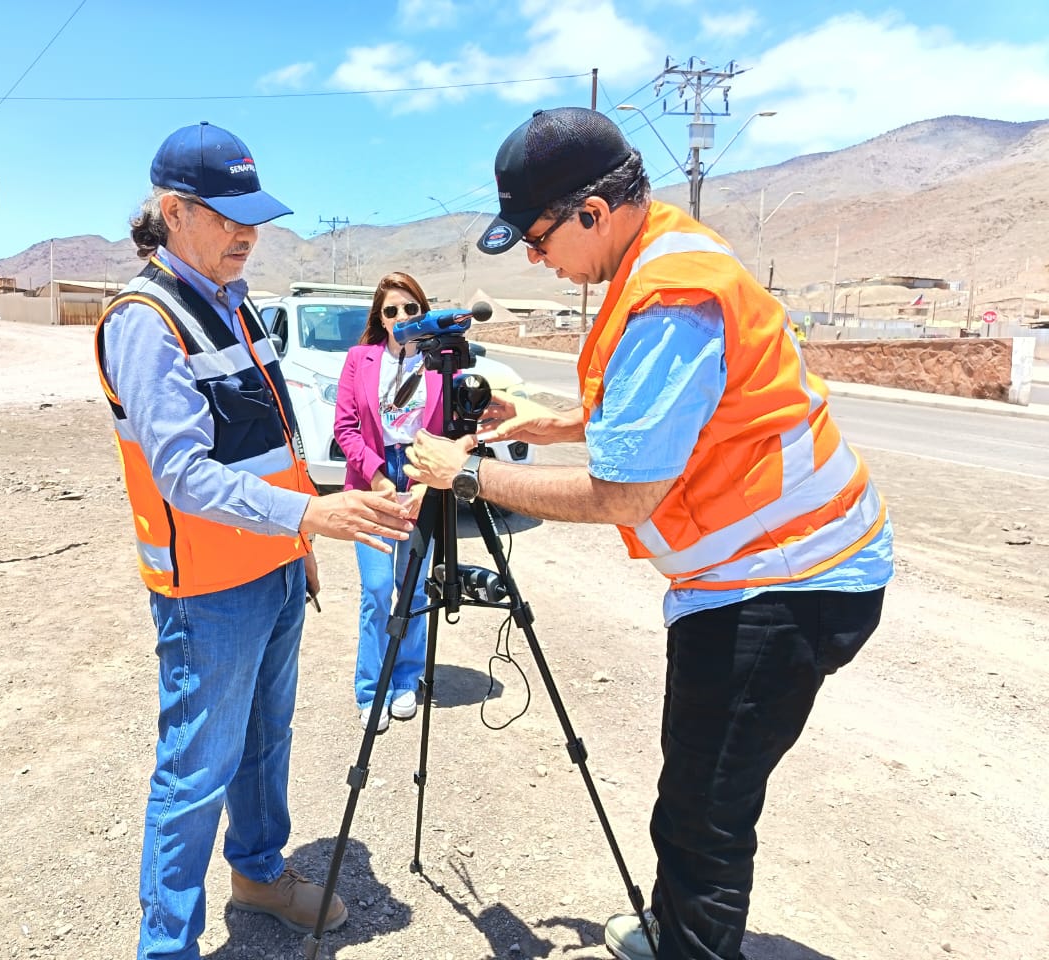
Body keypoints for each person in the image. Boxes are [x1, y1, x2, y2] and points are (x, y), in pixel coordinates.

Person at [405, 107, 893, 960]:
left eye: (539, 236)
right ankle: (673, 930)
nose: (534, 256)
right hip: (762, 575)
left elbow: (626, 495)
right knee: (693, 791)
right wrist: (546, 421)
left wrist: (466, 475)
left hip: (785, 586)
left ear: (593, 213)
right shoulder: (659, 258)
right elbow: (660, 417)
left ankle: (693, 946)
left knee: (707, 809)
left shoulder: (670, 296)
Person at [94, 120, 414, 960]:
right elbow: (184, 476)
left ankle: (260, 873)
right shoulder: (146, 320)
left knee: (269, 739)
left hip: (274, 570)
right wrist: (312, 518)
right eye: (229, 215)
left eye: (254, 216)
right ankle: (167, 945)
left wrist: (299, 536)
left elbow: (272, 442)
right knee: (196, 770)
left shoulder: (238, 308)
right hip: (206, 589)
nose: (249, 233)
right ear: (174, 210)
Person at [333, 272, 441, 732]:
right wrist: (377, 477)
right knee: (378, 589)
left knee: (413, 588)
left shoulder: (441, 361)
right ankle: (370, 688)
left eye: (410, 309)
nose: (401, 318)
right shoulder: (360, 359)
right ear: (380, 317)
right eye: (391, 311)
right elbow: (345, 427)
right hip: (372, 476)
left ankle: (406, 680)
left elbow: (453, 429)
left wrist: (425, 483)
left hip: (422, 474)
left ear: (423, 310)